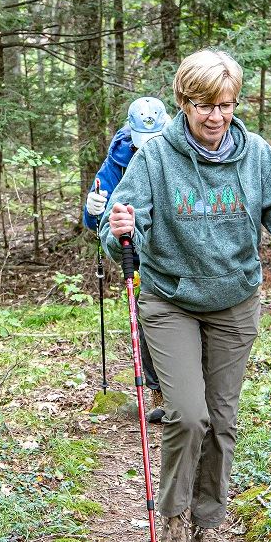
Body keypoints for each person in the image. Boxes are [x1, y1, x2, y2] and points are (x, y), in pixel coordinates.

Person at [104, 50, 271, 542]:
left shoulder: (255, 154)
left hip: (234, 301)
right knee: (188, 414)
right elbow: (122, 223)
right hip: (171, 301)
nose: (216, 116)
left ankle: (210, 518)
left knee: (222, 418)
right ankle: (173, 513)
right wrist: (121, 229)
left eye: (226, 105)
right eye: (205, 105)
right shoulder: (155, 158)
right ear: (184, 102)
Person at [85, 97, 171, 422]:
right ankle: (158, 392)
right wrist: (92, 208)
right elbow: (98, 214)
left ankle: (188, 391)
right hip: (134, 251)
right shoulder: (118, 158)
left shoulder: (181, 146)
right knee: (146, 318)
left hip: (172, 244)